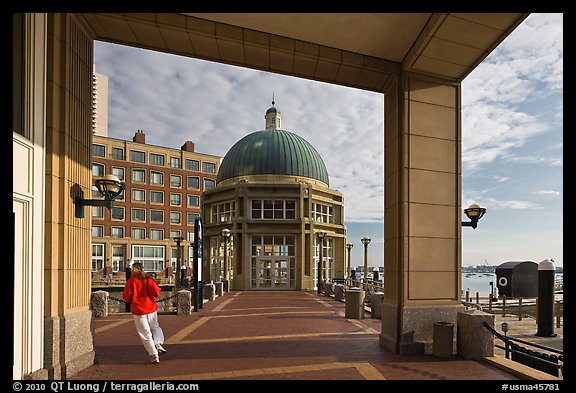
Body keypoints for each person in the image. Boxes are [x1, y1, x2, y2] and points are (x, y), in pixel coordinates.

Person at [122, 262, 167, 364]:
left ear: (133, 270)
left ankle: (154, 354)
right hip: (151, 308)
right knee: (155, 327)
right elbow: (157, 292)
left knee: (145, 333)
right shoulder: (149, 279)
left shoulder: (131, 281)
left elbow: (126, 297)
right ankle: (159, 343)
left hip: (139, 310)